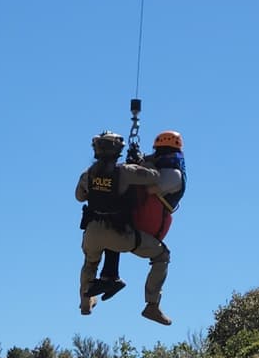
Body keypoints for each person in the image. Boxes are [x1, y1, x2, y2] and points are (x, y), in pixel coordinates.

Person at [76, 131, 174, 325]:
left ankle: (85, 302)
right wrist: (140, 162)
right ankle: (152, 305)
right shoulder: (125, 172)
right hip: (119, 234)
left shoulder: (88, 174)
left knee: (90, 264)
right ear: (117, 151)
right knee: (162, 255)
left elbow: (80, 196)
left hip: (92, 232)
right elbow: (154, 177)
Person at [90, 130, 186, 298]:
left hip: (148, 226)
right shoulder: (168, 165)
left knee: (162, 255)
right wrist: (136, 164)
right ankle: (110, 277)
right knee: (112, 224)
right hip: (140, 223)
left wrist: (138, 166)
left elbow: (151, 186)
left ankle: (152, 303)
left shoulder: (173, 175)